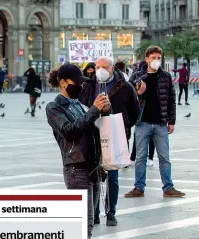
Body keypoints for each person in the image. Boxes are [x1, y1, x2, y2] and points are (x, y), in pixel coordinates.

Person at [46, 63, 110, 238]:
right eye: (77, 82)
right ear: (64, 83)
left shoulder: (79, 105)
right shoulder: (54, 107)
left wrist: (103, 112)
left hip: (92, 167)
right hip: (76, 168)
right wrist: (94, 110)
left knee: (90, 223)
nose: (81, 86)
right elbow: (70, 131)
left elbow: (92, 130)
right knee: (83, 225)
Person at [78, 56, 141, 227]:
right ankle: (95, 212)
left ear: (112, 68)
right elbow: (81, 108)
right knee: (94, 175)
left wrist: (123, 124)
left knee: (112, 176)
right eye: (97, 66)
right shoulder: (88, 86)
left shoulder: (125, 86)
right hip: (93, 134)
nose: (100, 70)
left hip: (115, 133)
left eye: (104, 66)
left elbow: (135, 112)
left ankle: (110, 212)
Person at [125, 45, 185, 198]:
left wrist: (171, 121)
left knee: (164, 157)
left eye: (159, 58)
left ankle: (168, 187)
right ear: (147, 59)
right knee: (140, 157)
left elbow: (171, 99)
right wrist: (139, 93)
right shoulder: (137, 76)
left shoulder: (165, 76)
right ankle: (139, 187)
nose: (156, 61)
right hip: (142, 123)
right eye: (153, 58)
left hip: (161, 124)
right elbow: (128, 99)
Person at [129, 60, 155, 166]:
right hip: (146, 109)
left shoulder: (136, 75)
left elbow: (129, 89)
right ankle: (149, 158)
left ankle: (133, 157)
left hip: (140, 109)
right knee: (150, 137)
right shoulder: (142, 75)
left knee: (138, 135)